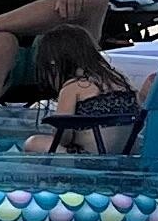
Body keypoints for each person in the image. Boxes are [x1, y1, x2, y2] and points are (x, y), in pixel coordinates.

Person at [20, 23, 136, 153]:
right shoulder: (121, 80)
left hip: (88, 159)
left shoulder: (72, 88)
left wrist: (55, 130)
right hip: (125, 154)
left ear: (53, 64)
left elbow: (63, 137)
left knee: (33, 143)